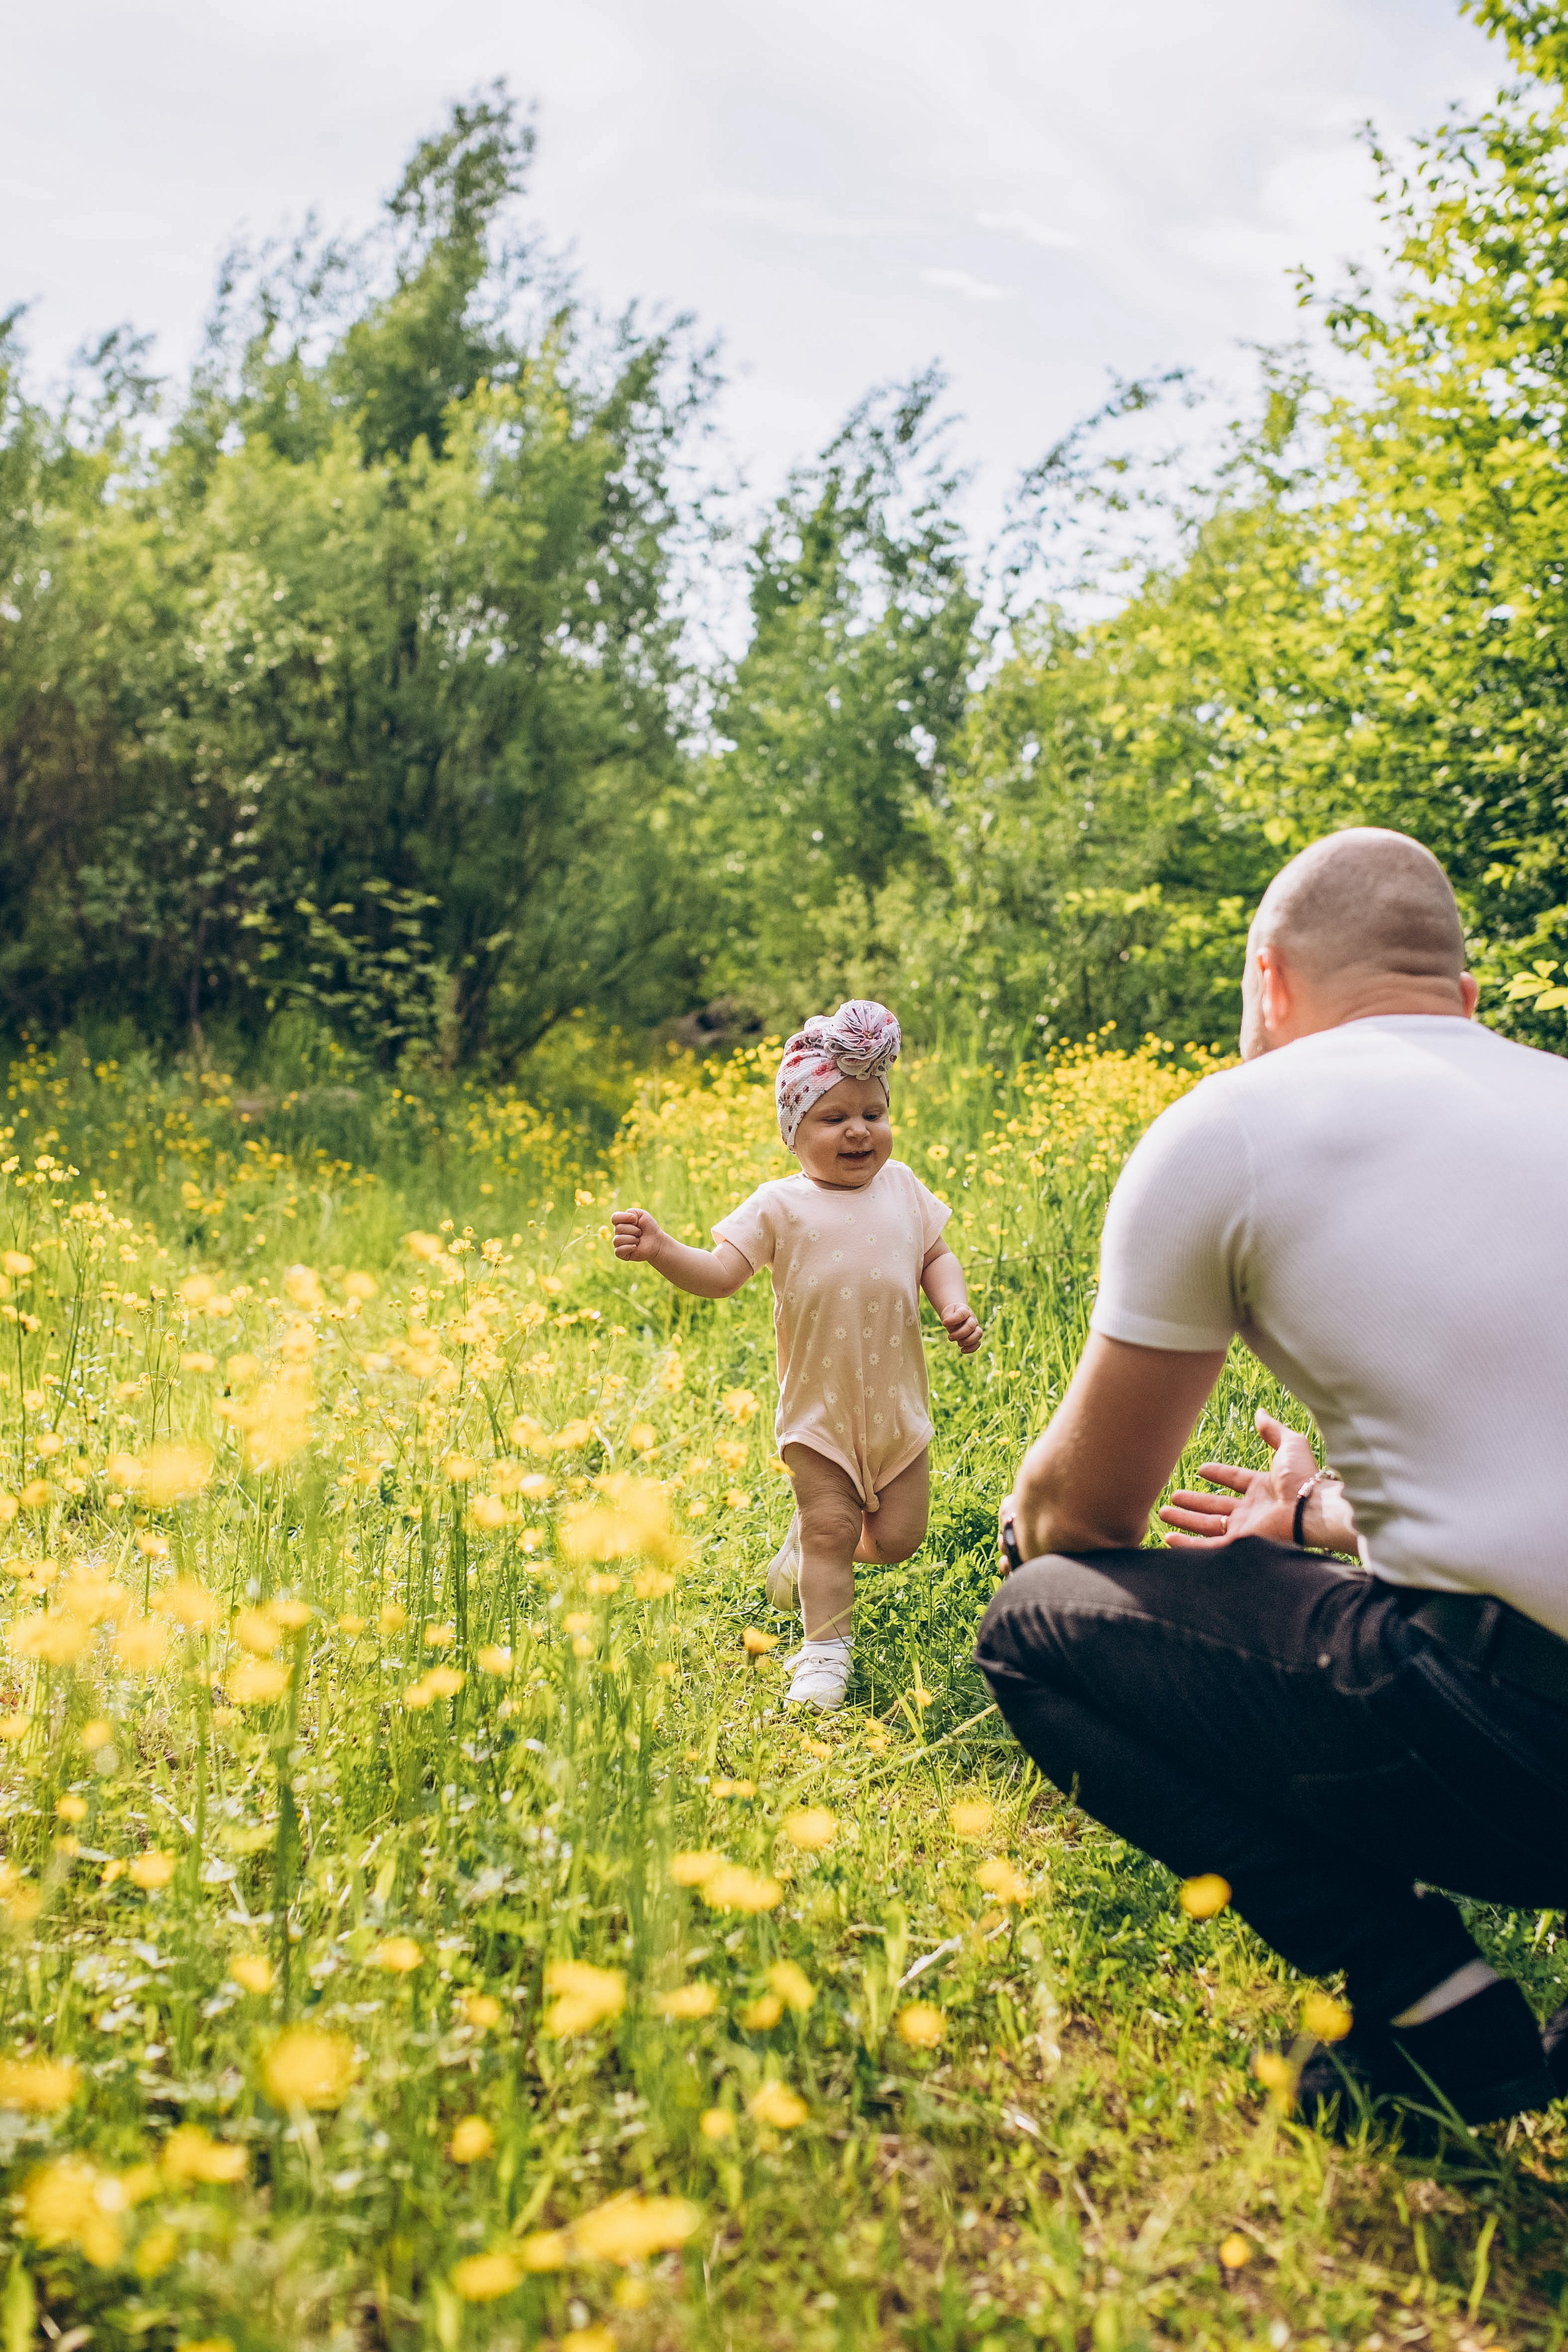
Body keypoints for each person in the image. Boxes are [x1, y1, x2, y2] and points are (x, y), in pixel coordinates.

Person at [979, 828, 1568, 2129]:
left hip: (1520, 1752)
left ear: (1266, 981)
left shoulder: (1233, 1127)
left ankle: (1426, 2001)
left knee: (1033, 1623)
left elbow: (1078, 1521)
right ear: (1464, 1003)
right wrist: (1317, 1518)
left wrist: (1029, 1534)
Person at [612, 999, 981, 1710]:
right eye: (833, 1116)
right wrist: (662, 1250)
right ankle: (822, 1656)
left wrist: (953, 1303)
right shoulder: (777, 1206)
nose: (857, 1130)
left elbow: (937, 1253)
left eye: (872, 1114)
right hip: (816, 1411)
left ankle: (812, 1556)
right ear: (793, 1131)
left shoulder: (902, 1189)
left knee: (899, 1538)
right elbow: (720, 1276)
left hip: (900, 1409)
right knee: (832, 1524)